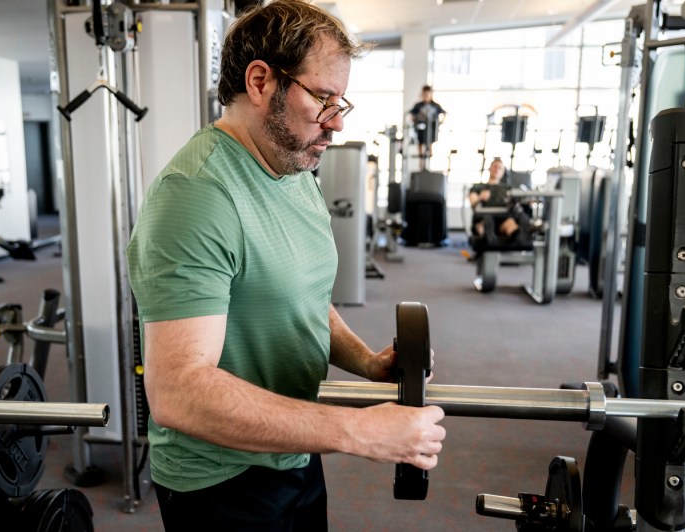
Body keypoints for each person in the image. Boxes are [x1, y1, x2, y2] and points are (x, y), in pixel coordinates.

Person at [125, 1, 446, 530]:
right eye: (323, 98)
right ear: (260, 82)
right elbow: (178, 392)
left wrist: (365, 362)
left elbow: (303, 295)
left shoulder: (293, 168)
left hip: (293, 444)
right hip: (221, 480)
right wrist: (359, 431)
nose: (336, 123)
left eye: (341, 102)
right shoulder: (197, 197)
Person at [468, 158, 530, 247]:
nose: (496, 169)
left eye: (500, 168)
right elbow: (473, 204)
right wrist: (480, 198)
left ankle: (519, 240)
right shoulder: (478, 187)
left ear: (503, 172)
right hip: (485, 218)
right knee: (487, 224)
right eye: (495, 166)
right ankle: (485, 240)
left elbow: (518, 203)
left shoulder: (508, 188)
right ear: (489, 168)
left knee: (512, 224)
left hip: (503, 219)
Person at [408, 85, 446, 170]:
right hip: (421, 130)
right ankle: (421, 166)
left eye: (427, 94)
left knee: (430, 148)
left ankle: (429, 166)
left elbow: (444, 113)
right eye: (424, 94)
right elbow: (411, 115)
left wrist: (440, 123)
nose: (426, 96)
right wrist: (414, 120)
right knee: (421, 148)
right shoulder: (418, 106)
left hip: (431, 130)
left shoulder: (435, 106)